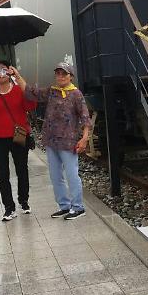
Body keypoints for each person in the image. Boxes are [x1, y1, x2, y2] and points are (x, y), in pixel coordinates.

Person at [17, 62, 91, 220]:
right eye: (58, 73)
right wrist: (16, 75)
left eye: (64, 73)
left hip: (68, 142)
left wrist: (84, 139)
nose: (61, 76)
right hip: (51, 141)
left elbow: (85, 117)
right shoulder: (52, 91)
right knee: (55, 175)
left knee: (72, 174)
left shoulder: (76, 94)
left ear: (71, 76)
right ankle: (64, 206)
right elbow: (31, 92)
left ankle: (78, 207)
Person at [0, 59, 37, 221]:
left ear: (9, 72)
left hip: (18, 135)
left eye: (3, 69)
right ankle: (9, 207)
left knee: (22, 169)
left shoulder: (18, 90)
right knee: (2, 173)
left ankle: (23, 201)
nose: (0, 73)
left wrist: (18, 77)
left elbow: (31, 105)